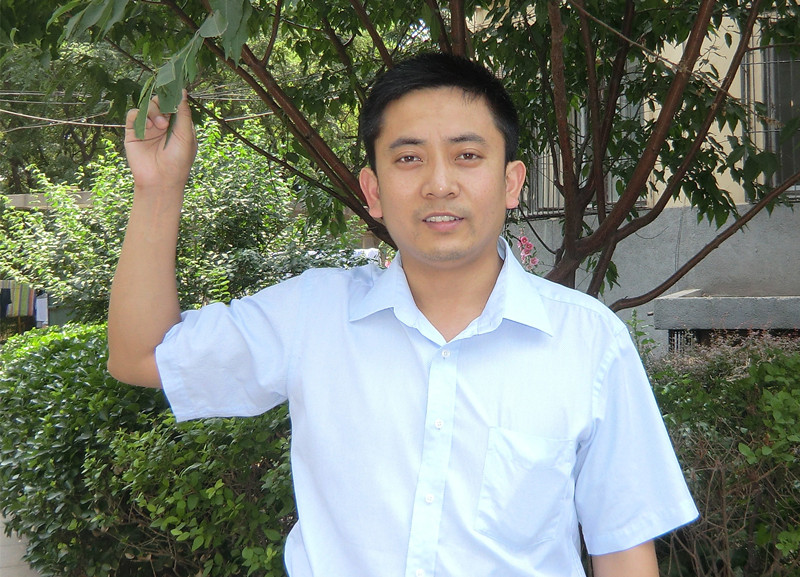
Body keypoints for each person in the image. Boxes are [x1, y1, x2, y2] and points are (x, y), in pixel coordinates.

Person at [108, 52, 698, 577]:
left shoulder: (588, 342)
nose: (440, 184)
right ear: (373, 190)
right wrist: (157, 187)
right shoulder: (312, 316)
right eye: (409, 158)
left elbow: (622, 550)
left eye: (467, 155)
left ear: (511, 181)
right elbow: (140, 357)